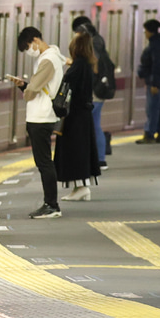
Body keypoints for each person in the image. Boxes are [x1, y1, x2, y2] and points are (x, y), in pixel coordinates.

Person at [13, 27, 65, 219]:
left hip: (41, 117)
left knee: (44, 162)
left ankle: (51, 205)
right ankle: (50, 203)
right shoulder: (52, 56)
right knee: (44, 162)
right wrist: (26, 86)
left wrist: (27, 89)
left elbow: (33, 90)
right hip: (41, 115)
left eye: (28, 47)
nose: (29, 51)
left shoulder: (48, 60)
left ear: (35, 40)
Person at [54, 31, 101, 201]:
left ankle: (81, 187)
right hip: (82, 115)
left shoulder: (79, 66)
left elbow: (67, 86)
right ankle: (79, 187)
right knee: (79, 150)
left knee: (75, 150)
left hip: (75, 116)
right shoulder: (86, 64)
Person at [71, 16, 112, 171]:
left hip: (94, 92)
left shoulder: (93, 45)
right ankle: (99, 158)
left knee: (92, 125)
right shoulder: (99, 40)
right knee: (95, 124)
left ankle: (98, 158)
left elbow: (94, 66)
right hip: (99, 91)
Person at [135, 19, 160, 144]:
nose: (145, 33)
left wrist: (154, 83)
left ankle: (149, 133)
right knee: (157, 106)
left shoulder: (156, 44)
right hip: (156, 79)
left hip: (155, 79)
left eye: (145, 31)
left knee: (152, 107)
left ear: (149, 31)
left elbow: (157, 64)